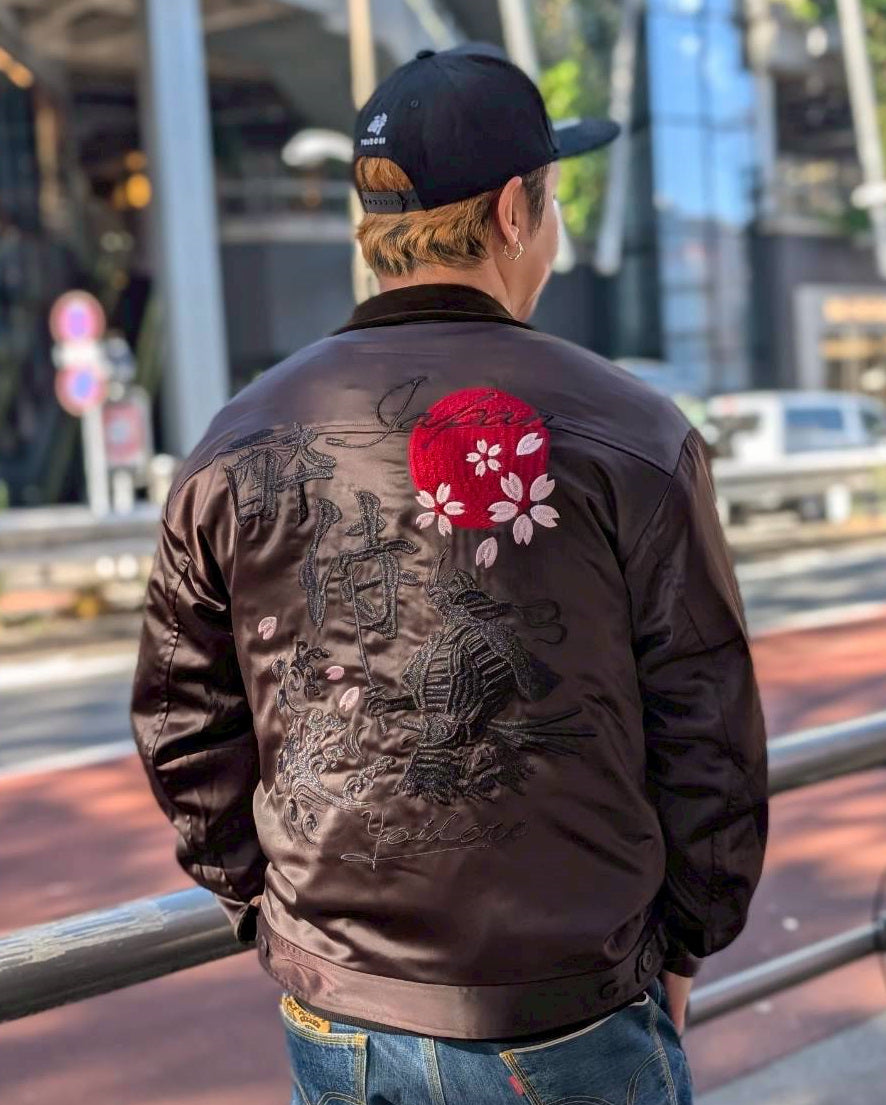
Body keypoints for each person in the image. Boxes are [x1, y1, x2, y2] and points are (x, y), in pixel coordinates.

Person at [130, 43, 768, 1105]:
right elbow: (707, 724)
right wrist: (687, 941)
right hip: (568, 1009)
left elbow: (181, 720)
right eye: (551, 202)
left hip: (339, 1015)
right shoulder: (634, 433)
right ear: (515, 210)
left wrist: (281, 910)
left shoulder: (235, 442)